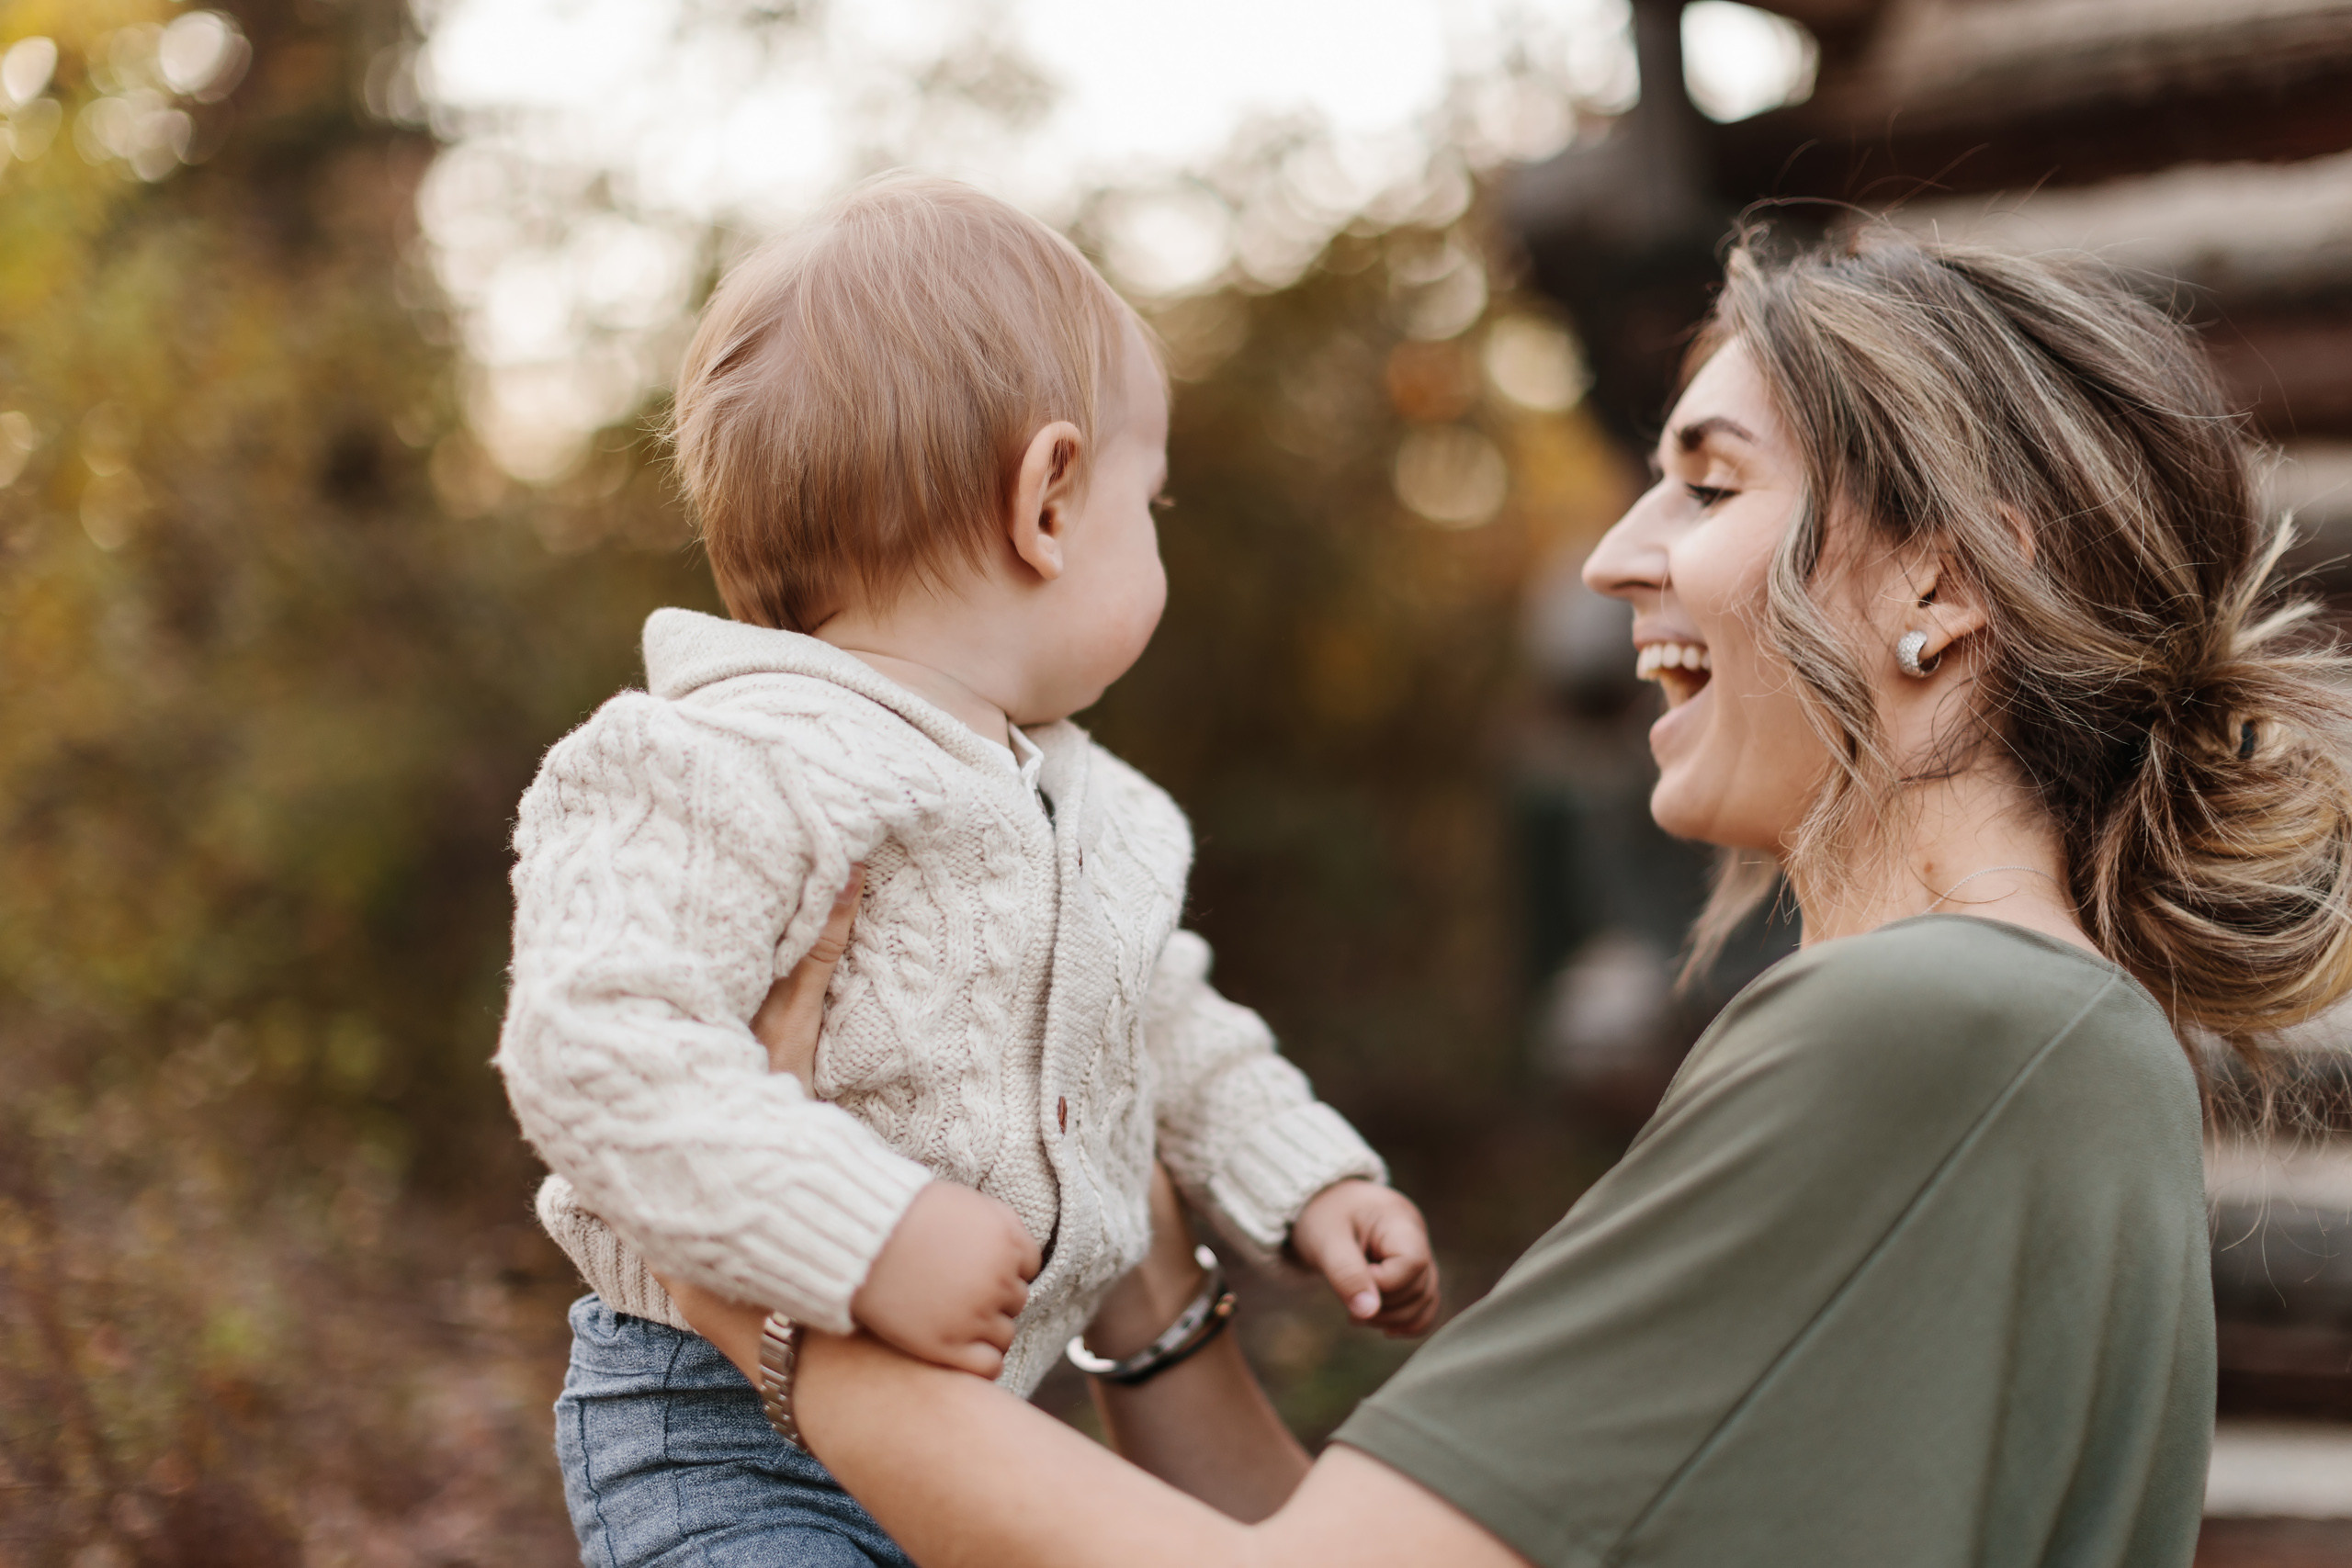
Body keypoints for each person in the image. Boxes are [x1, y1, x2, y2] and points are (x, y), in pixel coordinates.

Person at [673, 229, 2352, 1567]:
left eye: (1709, 483)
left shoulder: (1926, 1031)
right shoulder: (2056, 1044)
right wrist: (1134, 1243)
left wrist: (754, 1290)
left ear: (1944, 574)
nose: (1616, 553)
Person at [494, 174, 1438, 1568]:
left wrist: (1305, 1184)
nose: (1157, 533)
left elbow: (1171, 1025)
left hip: (980, 1429)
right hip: (720, 1438)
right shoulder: (713, 758)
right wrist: (866, 1230)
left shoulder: (1092, 808)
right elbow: (591, 1044)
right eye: (1150, 501)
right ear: (1048, 500)